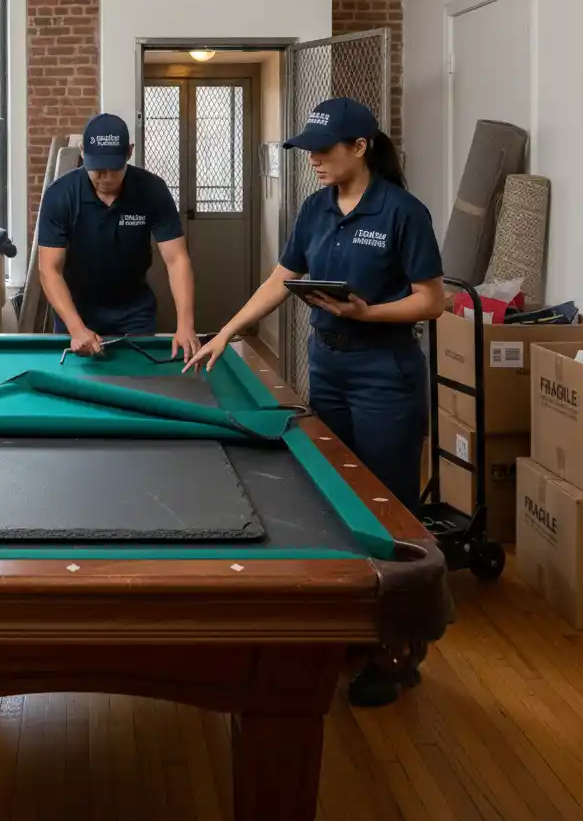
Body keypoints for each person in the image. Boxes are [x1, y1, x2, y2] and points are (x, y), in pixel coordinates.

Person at [184, 96, 445, 707]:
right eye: (309, 153)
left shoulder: (402, 211)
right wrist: (227, 330)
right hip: (326, 364)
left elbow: (431, 300)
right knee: (336, 496)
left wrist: (369, 313)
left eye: (323, 152)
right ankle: (351, 633)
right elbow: (282, 277)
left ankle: (399, 654)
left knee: (391, 509)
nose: (315, 162)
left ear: (360, 147)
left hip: (385, 372)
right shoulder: (315, 208)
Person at [37, 112, 199, 360]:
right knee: (77, 388)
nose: (105, 177)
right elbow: (49, 269)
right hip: (76, 310)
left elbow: (177, 260)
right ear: (82, 151)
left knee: (138, 385)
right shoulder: (60, 196)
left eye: (114, 168)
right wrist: (76, 327)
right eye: (97, 169)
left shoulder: (152, 191)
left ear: (129, 152)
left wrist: (185, 324)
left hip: (134, 312)